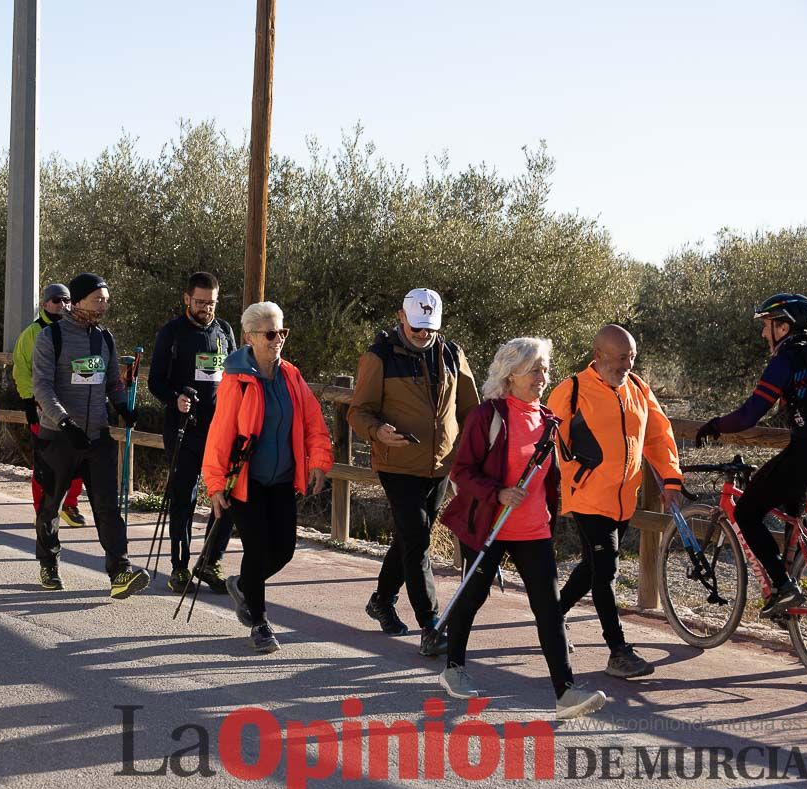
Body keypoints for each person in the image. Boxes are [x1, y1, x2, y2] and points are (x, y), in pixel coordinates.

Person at [438, 337, 607, 720]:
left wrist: (557, 507)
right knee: (472, 596)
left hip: (534, 530)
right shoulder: (488, 417)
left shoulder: (548, 420)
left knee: (548, 609)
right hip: (490, 526)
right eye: (534, 370)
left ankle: (565, 691)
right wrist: (498, 493)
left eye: (545, 369)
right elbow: (461, 472)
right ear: (510, 375)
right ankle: (453, 668)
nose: (542, 377)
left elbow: (552, 476)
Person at [547, 324, 684, 679]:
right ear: (599, 356)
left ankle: (552, 615)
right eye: (621, 357)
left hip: (625, 499)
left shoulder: (638, 388)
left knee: (593, 567)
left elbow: (658, 435)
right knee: (606, 571)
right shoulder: (572, 391)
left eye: (632, 357)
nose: (627, 364)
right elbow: (545, 440)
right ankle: (618, 651)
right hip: (588, 498)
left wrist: (671, 478)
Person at [347, 288, 478, 655]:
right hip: (397, 463)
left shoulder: (453, 355)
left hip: (440, 467)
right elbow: (358, 412)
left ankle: (382, 600)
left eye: (430, 329)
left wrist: (470, 460)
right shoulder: (380, 356)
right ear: (401, 318)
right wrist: (379, 431)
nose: (423, 335)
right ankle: (431, 624)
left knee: (409, 538)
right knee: (418, 541)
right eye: (417, 327)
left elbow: (471, 412)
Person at [204, 301, 334, 653]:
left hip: (282, 479)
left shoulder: (291, 375)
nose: (278, 339)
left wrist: (319, 461)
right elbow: (220, 435)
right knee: (258, 547)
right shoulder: (237, 382)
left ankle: (243, 585)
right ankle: (259, 623)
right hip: (246, 481)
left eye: (282, 332)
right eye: (271, 333)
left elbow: (312, 422)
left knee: (285, 550)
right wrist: (215, 485)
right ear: (249, 337)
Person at [696, 293, 807, 615]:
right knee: (792, 504)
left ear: (783, 326)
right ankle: (790, 614)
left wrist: (715, 425)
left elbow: (750, 415)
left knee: (747, 511)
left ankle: (783, 586)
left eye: (767, 325)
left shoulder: (787, 360)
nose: (764, 333)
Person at [30, 272, 150, 598]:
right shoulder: (51, 338)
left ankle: (120, 571)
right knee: (50, 506)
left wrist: (124, 406)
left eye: (106, 301)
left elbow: (112, 382)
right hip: (59, 437)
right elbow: (42, 387)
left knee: (107, 506)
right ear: (79, 300)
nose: (103, 306)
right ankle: (49, 564)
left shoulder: (104, 339)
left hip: (97, 437)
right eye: (98, 300)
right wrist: (65, 423)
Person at [148, 272, 238, 593]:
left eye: (211, 303)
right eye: (200, 302)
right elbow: (155, 381)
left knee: (227, 496)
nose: (206, 309)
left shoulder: (224, 331)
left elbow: (235, 376)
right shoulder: (171, 333)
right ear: (187, 298)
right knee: (183, 498)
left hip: (220, 431)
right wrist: (176, 398)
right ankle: (179, 566)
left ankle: (210, 561)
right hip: (184, 428)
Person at [12, 283, 86, 529]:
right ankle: (42, 510)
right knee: (44, 463)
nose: (62, 305)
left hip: (73, 407)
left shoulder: (77, 330)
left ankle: (70, 504)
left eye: (66, 300)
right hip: (43, 408)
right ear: (45, 304)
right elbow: (21, 368)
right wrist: (28, 402)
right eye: (56, 300)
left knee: (78, 460)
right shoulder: (32, 333)